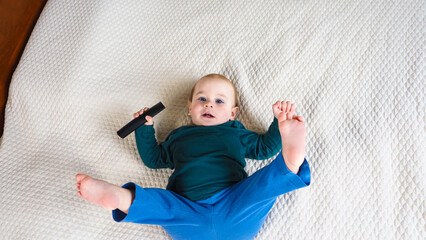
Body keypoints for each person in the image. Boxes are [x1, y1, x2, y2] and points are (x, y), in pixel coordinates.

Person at [76, 74, 310, 240]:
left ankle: (290, 161)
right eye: (201, 99)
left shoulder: (235, 132)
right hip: (188, 211)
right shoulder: (178, 136)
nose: (209, 103)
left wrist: (277, 125)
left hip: (234, 204)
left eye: (219, 101)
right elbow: (154, 159)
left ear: (233, 113)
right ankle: (123, 198)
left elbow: (264, 149)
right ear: (190, 108)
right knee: (165, 204)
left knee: (260, 188)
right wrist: (144, 128)